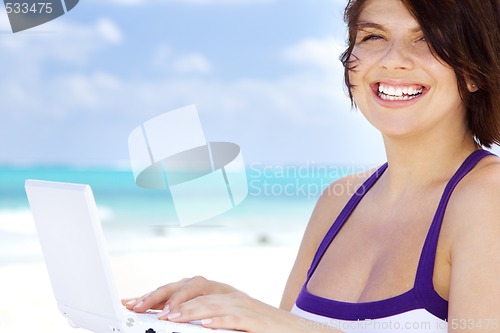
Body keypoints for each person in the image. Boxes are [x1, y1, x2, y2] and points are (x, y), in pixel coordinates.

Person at [122, 0, 500, 331]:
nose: (393, 60)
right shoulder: (339, 201)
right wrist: (232, 308)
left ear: (472, 70)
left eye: (426, 39)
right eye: (373, 37)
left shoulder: (488, 197)